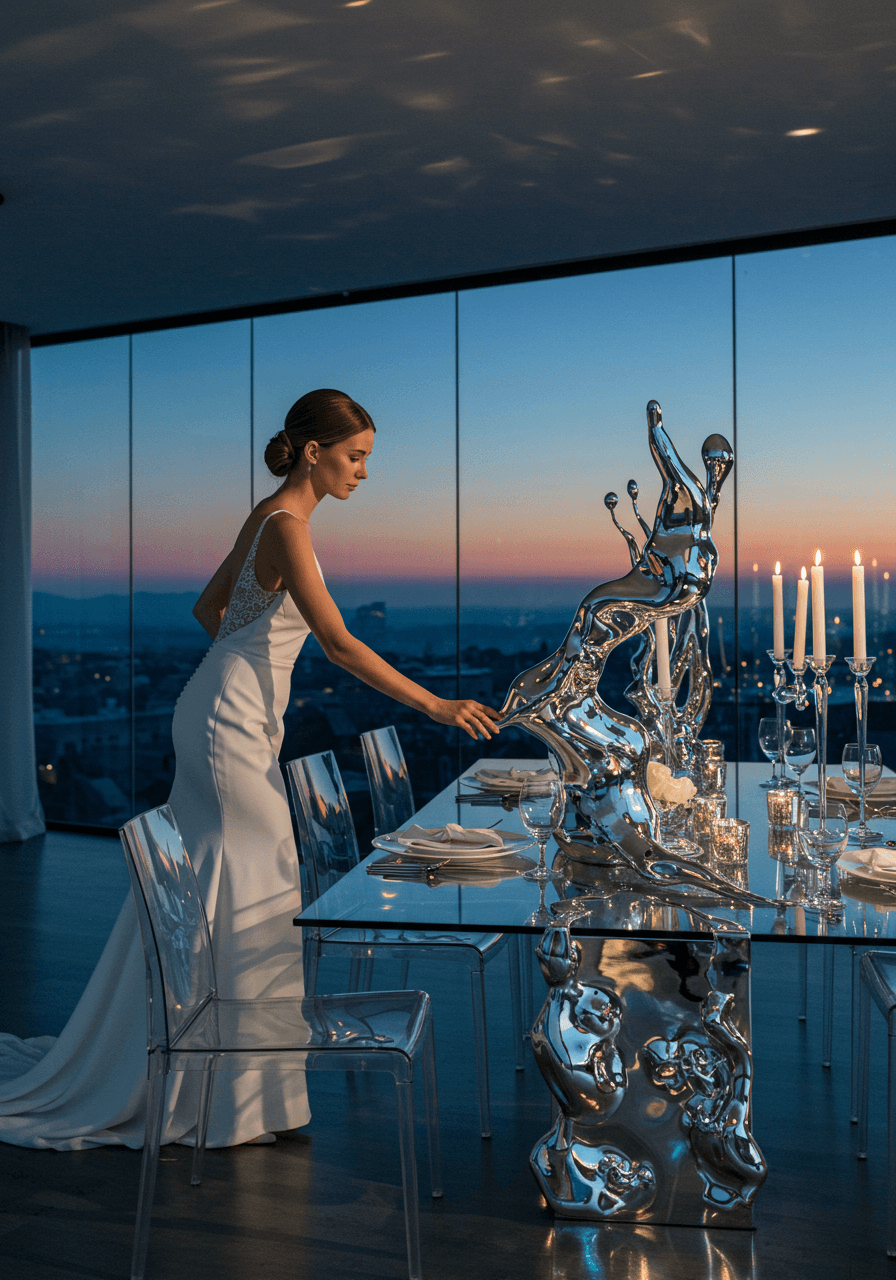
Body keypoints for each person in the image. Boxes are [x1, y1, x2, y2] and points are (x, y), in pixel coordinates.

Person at [0, 388, 500, 1150]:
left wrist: (249, 666)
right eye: (356, 456)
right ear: (314, 451)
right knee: (258, 882)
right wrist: (435, 705)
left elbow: (210, 610)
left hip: (221, 711)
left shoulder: (267, 516)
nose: (364, 472)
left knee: (230, 884)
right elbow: (337, 643)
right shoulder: (287, 527)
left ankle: (233, 1090)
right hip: (227, 725)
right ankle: (233, 1098)